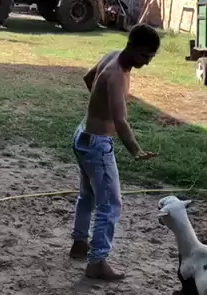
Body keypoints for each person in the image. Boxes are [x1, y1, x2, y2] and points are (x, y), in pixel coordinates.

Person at [69, 24, 160, 281]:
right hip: (97, 145)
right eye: (144, 55)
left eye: (151, 57)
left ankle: (79, 244)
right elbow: (120, 121)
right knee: (110, 204)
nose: (147, 62)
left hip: (83, 136)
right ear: (131, 46)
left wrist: (100, 105)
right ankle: (97, 262)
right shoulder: (117, 75)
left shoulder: (112, 55)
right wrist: (135, 150)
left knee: (88, 195)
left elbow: (88, 78)